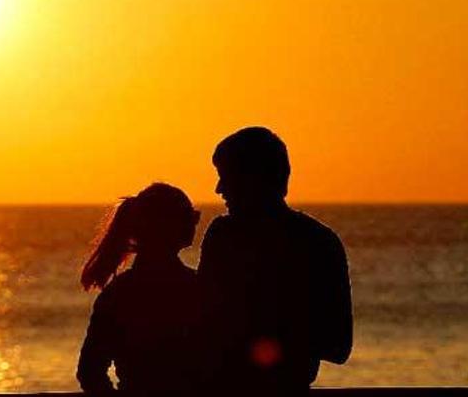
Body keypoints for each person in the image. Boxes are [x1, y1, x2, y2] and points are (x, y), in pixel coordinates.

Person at [198, 127, 352, 396]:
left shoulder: (225, 237)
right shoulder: (319, 240)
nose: (219, 189)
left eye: (227, 177)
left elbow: (338, 345)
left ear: (254, 178)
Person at [77, 183, 202, 397]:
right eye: (191, 217)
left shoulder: (117, 294)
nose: (194, 223)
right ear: (170, 225)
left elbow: (90, 372)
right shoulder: (197, 287)